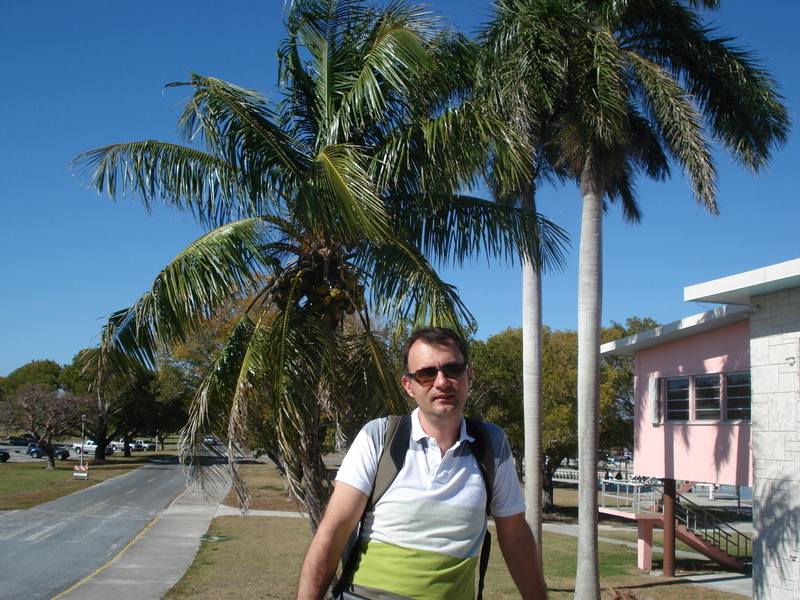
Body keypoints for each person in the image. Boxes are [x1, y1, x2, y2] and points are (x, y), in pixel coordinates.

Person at [296, 327, 547, 600]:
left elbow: (516, 539)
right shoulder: (380, 437)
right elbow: (334, 531)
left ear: (469, 376)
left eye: (453, 369)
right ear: (408, 386)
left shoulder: (491, 444)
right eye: (426, 374)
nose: (441, 382)